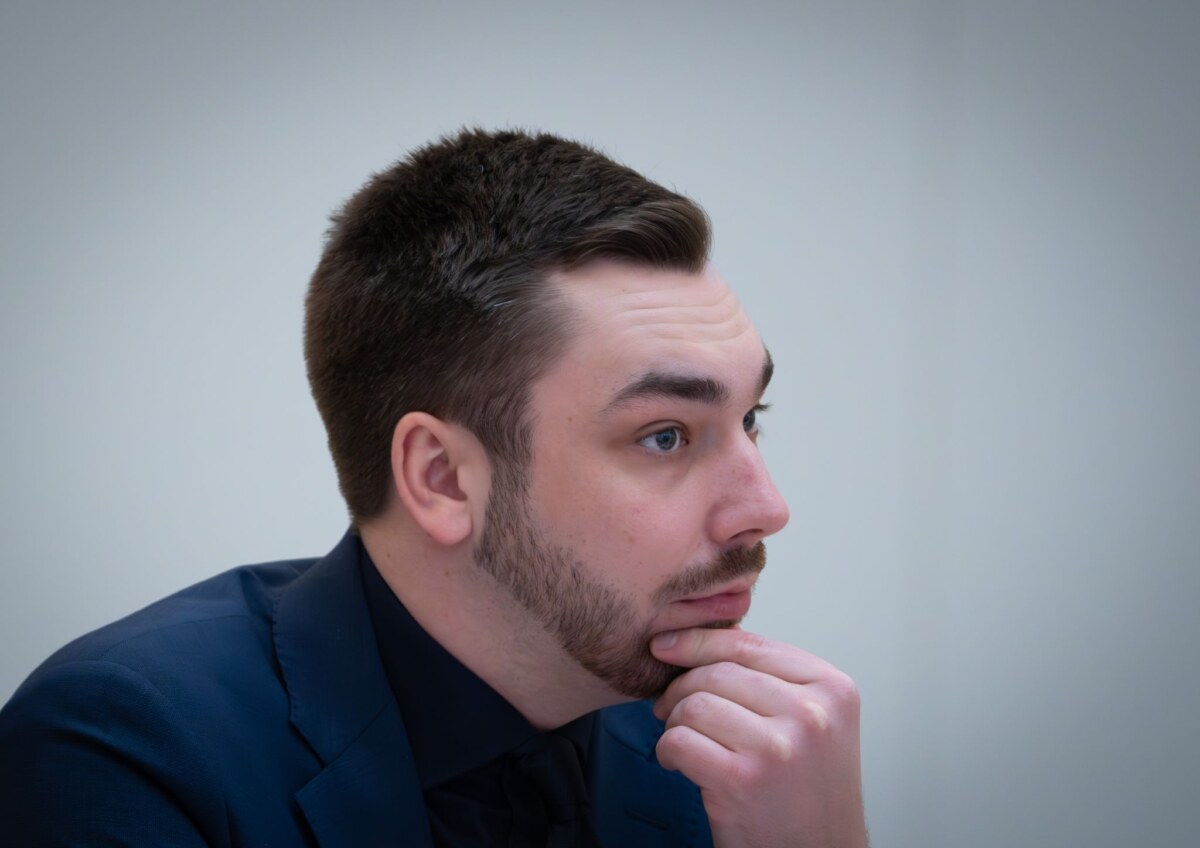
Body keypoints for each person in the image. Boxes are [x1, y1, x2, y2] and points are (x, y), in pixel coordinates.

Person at [0, 129, 868, 847]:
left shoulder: (741, 764)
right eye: (665, 435)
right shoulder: (126, 747)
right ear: (443, 478)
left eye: (750, 419)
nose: (766, 509)